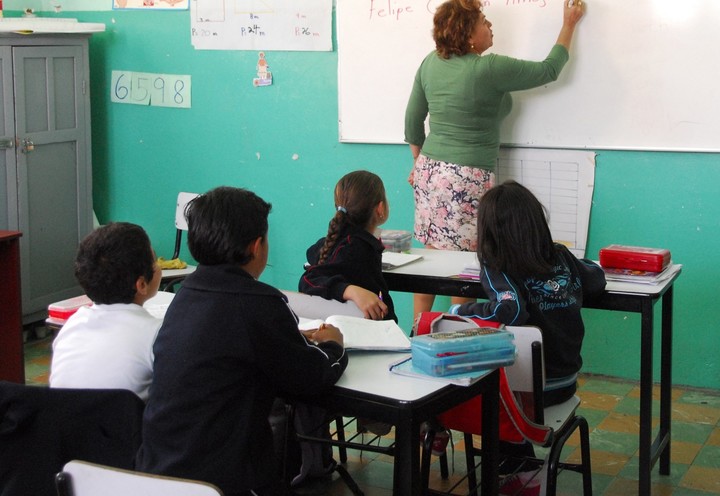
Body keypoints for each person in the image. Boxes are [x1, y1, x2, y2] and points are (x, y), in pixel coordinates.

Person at [136, 186, 348, 496]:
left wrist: (284, 338)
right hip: (220, 482)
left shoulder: (186, 294)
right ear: (257, 246)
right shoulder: (258, 302)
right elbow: (313, 377)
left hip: (155, 473)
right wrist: (334, 344)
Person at [404, 0, 586, 317]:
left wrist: (418, 163)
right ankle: (452, 333)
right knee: (463, 265)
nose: (490, 27)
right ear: (469, 35)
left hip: (430, 174)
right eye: (484, 22)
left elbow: (412, 121)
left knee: (433, 257)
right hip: (465, 178)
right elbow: (549, 70)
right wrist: (569, 23)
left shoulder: (430, 62)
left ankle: (419, 331)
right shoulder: (489, 68)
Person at [450, 180, 606, 405]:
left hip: (526, 393)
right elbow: (596, 281)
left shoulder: (497, 265)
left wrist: (462, 311)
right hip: (566, 384)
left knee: (457, 387)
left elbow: (510, 311)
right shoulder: (560, 255)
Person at [49, 222, 162, 401]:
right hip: (121, 427)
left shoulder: (72, 324)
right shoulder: (156, 333)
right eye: (154, 260)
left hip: (61, 426)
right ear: (141, 284)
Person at [299, 170, 396, 322]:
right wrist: (351, 291)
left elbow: (315, 258)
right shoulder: (355, 247)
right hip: (367, 333)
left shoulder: (336, 241)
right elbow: (309, 280)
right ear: (380, 209)